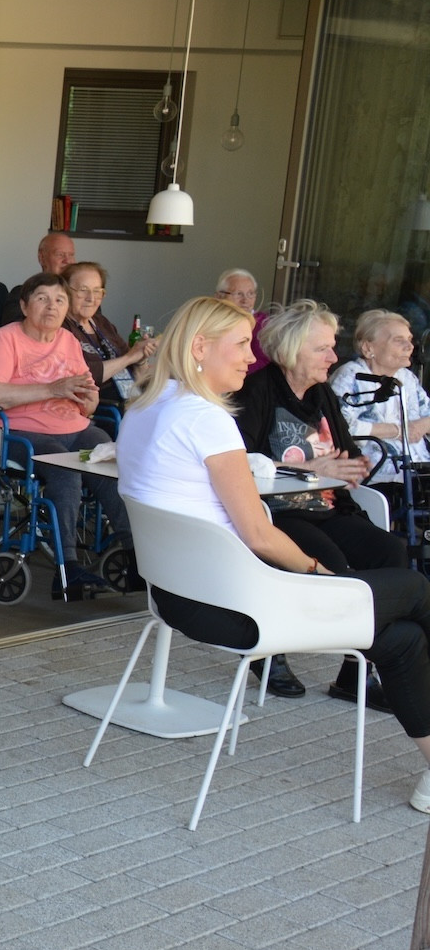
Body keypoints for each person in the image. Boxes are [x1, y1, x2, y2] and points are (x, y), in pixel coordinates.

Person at [117, 295, 430, 815]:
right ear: (200, 347)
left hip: (180, 597)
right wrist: (321, 574)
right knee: (415, 588)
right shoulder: (207, 419)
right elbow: (260, 536)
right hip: (243, 606)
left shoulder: (146, 406)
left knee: (401, 639)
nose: (249, 356)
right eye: (240, 344)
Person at [235, 299, 400, 713]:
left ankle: (354, 672)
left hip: (328, 508)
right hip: (279, 514)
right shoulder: (257, 392)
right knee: (335, 566)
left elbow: (340, 454)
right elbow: (242, 467)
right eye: (322, 349)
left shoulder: (323, 394)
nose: (333, 356)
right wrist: (312, 467)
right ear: (292, 350)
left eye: (332, 346)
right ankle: (267, 653)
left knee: (391, 553)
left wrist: (349, 469)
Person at [0, 271, 129, 599]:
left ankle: (133, 555)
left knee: (113, 460)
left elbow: (89, 392)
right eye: (42, 299)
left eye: (59, 300)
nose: (52, 306)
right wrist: (51, 389)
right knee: (65, 469)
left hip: (73, 427)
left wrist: (90, 399)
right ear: (24, 305)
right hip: (18, 431)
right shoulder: (6, 338)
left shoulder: (68, 340)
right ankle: (68, 567)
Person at [333, 308, 430, 517]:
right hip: (377, 474)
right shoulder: (351, 377)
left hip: (417, 472)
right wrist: (398, 431)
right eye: (398, 340)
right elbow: (341, 427)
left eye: (410, 339)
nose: (409, 346)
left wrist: (420, 426)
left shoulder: (407, 378)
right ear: (368, 348)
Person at [63, 261, 154, 409]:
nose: (91, 298)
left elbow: (134, 369)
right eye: (83, 290)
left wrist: (140, 358)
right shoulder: (62, 328)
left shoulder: (102, 322)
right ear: (66, 291)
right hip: (104, 409)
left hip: (133, 400)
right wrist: (129, 357)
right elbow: (83, 376)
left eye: (97, 291)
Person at [3, 232, 76, 325]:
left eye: (71, 255)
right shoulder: (21, 294)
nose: (67, 260)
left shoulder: (84, 295)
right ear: (42, 258)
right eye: (60, 254)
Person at [216, 267, 272, 373]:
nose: (245, 300)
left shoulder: (263, 325)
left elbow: (263, 363)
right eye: (238, 294)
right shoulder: (209, 322)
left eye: (251, 294)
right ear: (219, 296)